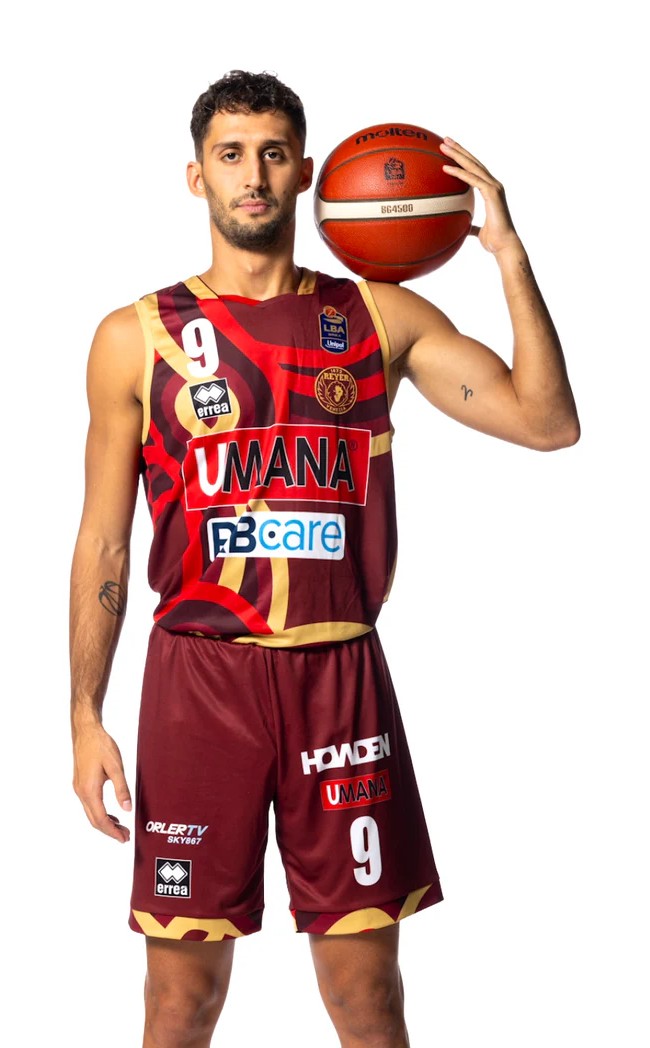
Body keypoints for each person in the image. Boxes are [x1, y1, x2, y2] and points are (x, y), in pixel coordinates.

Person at [70, 69, 580, 1048]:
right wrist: (84, 716)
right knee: (178, 1002)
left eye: (272, 153)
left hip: (338, 679)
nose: (252, 175)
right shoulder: (135, 338)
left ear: (305, 172)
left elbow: (546, 421)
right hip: (198, 683)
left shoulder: (379, 317)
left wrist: (509, 258)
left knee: (367, 999)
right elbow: (103, 541)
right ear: (196, 177)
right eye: (230, 155)